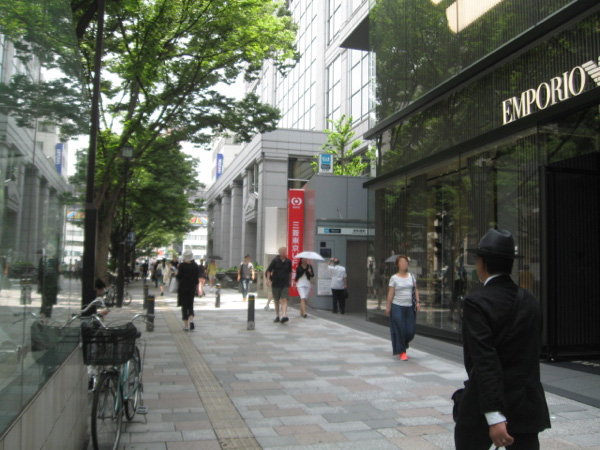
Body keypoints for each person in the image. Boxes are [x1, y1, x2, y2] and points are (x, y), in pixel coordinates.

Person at [454, 229, 550, 450]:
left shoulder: (476, 303)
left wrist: (494, 415)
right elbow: (531, 356)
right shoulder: (530, 300)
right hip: (525, 404)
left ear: (483, 263)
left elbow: (484, 361)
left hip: (483, 405)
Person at [385, 255, 420, 361]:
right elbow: (390, 293)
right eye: (402, 262)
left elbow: (415, 289)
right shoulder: (394, 278)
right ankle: (402, 352)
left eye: (406, 262)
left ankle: (403, 343)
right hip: (397, 306)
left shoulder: (411, 276)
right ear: (398, 264)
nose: (404, 264)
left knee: (410, 331)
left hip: (410, 307)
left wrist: (418, 302)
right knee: (400, 328)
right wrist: (388, 306)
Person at [266, 247, 292, 323]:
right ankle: (277, 316)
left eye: (285, 251)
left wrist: (290, 281)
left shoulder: (288, 261)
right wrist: (268, 279)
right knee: (276, 300)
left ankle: (284, 315)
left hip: (285, 284)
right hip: (276, 283)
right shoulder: (275, 260)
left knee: (284, 299)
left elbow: (290, 272)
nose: (284, 252)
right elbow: (269, 270)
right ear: (279, 252)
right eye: (283, 251)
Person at [176, 250, 200, 331]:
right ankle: (191, 320)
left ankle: (186, 326)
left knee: (184, 306)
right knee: (190, 305)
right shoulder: (195, 266)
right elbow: (196, 279)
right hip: (192, 288)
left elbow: (179, 277)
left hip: (183, 288)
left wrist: (176, 273)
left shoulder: (182, 266)